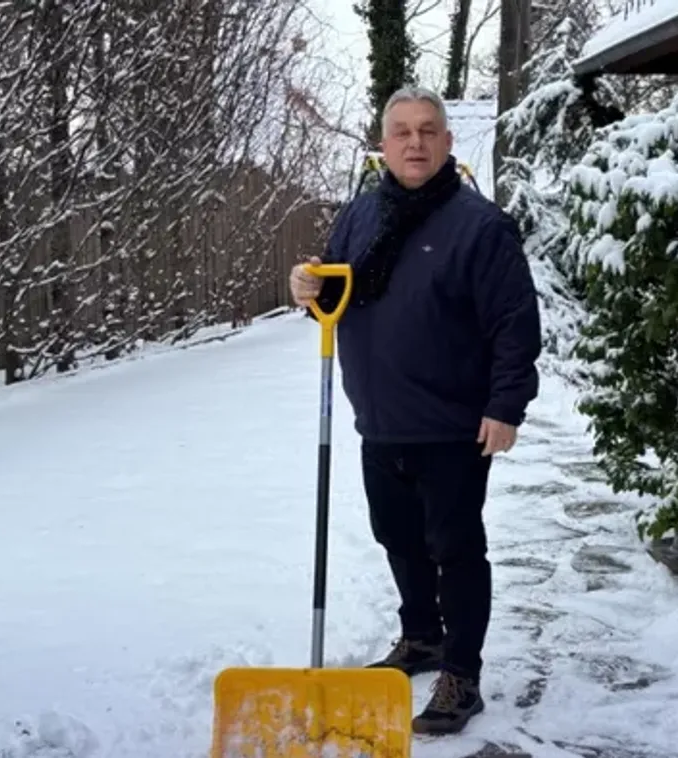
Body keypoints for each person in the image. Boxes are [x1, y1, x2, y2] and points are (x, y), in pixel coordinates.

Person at [288, 86, 542, 735]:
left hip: (454, 424)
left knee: (454, 549)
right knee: (397, 538)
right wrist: (305, 288)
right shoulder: (359, 216)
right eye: (401, 131)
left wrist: (505, 404)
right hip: (380, 418)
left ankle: (462, 670)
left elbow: (514, 321)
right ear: (382, 142)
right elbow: (335, 294)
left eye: (428, 130)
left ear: (447, 143)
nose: (414, 142)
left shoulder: (480, 225)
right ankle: (422, 637)